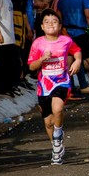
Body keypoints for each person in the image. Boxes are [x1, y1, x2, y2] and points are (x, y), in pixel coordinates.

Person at [27, 9, 82, 165]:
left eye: (54, 21)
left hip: (62, 81)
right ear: (42, 27)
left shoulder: (66, 40)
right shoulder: (38, 43)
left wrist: (77, 61)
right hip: (44, 85)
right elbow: (31, 66)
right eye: (47, 21)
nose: (51, 24)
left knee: (58, 108)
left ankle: (58, 133)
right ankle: (56, 147)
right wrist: (43, 58)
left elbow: (76, 50)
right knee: (48, 122)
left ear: (59, 25)